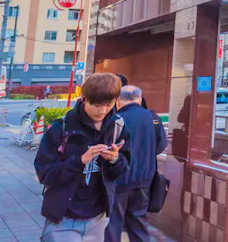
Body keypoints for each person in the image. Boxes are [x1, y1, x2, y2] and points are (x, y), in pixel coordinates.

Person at [34, 72, 129, 241]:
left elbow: (122, 170)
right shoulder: (61, 128)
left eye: (109, 104)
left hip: (98, 219)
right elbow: (45, 173)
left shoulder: (118, 127)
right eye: (97, 105)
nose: (103, 111)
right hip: (64, 219)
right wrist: (79, 161)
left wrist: (115, 159)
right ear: (84, 99)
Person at [104, 86, 167, 242]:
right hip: (144, 180)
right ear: (139, 98)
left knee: (113, 224)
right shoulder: (153, 118)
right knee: (139, 223)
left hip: (119, 180)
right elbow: (160, 146)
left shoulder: (116, 118)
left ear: (118, 100)